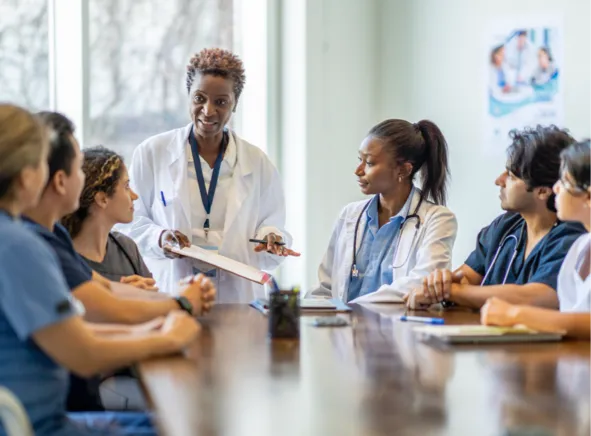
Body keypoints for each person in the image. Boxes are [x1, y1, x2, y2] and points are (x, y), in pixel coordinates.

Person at [0, 103, 201, 436]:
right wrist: (165, 337)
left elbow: (73, 331)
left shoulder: (15, 236)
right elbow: (84, 353)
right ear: (26, 177)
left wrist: (152, 331)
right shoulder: (19, 245)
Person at [121, 48, 299, 303]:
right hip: (173, 290)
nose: (208, 110)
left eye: (221, 102)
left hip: (237, 298)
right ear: (189, 97)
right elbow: (129, 223)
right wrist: (160, 238)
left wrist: (271, 237)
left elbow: (272, 224)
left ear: (235, 104)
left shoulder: (257, 163)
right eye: (200, 98)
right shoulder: (152, 153)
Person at [408, 126, 586, 310]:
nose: (498, 180)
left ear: (542, 191)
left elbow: (541, 296)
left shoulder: (572, 236)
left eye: (511, 175)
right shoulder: (505, 225)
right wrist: (441, 283)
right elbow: (467, 278)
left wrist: (451, 292)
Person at [308, 119, 457, 303]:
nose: (358, 171)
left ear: (403, 169)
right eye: (359, 160)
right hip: (345, 328)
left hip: (399, 329)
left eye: (369, 163)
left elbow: (423, 284)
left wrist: (350, 308)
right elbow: (326, 287)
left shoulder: (438, 220)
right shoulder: (350, 215)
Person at [482, 141, 591, 339]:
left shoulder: (568, 239)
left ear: (589, 197)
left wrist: (516, 314)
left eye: (565, 182)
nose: (556, 188)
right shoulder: (580, 248)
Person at [62, 146, 154, 288]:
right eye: (126, 186)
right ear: (102, 199)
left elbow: (155, 302)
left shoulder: (126, 248)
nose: (134, 196)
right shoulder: (62, 258)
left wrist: (147, 296)